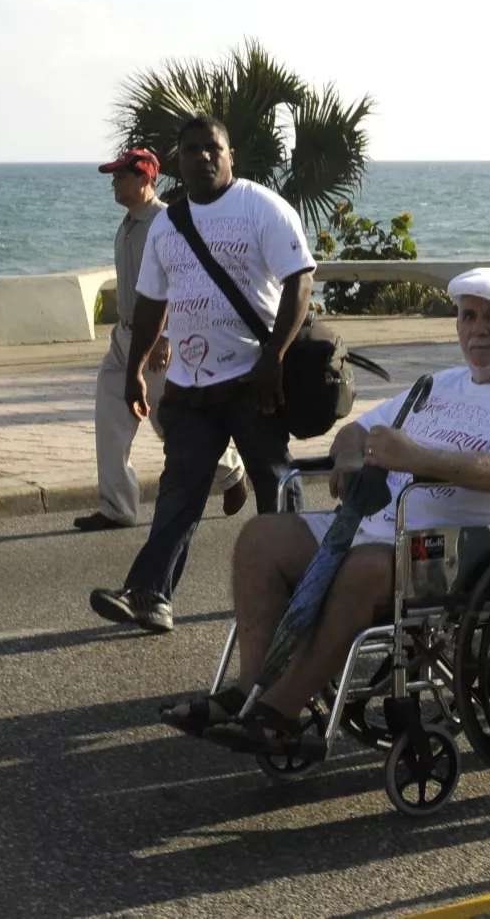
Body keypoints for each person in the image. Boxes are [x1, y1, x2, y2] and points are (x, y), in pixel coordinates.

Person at [159, 269, 490, 754]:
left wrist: (415, 458)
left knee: (366, 568)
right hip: (378, 527)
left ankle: (281, 710)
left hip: (466, 543)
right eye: (469, 316)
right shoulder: (439, 385)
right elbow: (356, 432)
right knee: (260, 539)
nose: (478, 329)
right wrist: (351, 458)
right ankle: (248, 690)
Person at [89, 114, 316, 635]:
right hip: (192, 388)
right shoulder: (169, 224)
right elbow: (151, 302)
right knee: (180, 491)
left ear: (230, 155)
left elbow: (300, 282)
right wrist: (136, 371)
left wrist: (273, 358)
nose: (202, 157)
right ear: (178, 162)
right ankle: (149, 594)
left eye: (212, 148)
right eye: (191, 150)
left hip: (252, 381)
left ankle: (309, 584)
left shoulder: (260, 207)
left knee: (274, 486)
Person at [77, 148, 249, 532]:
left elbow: (182, 280)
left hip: (155, 338)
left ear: (144, 179)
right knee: (110, 418)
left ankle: (231, 472)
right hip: (124, 337)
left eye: (121, 175)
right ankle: (118, 508)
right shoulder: (129, 223)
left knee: (169, 420)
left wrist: (166, 336)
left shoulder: (167, 222)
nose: (114, 181)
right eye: (114, 175)